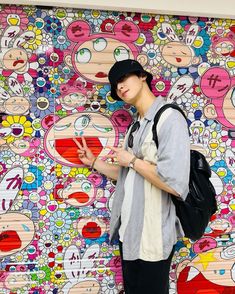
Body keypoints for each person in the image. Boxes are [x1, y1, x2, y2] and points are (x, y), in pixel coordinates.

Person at [73, 59, 190, 294]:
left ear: (142, 76)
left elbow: (176, 184)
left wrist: (133, 161)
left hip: (152, 236)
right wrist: (95, 162)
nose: (120, 87)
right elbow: (129, 175)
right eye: (116, 85)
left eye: (124, 78)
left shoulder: (169, 117)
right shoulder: (136, 126)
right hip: (129, 233)